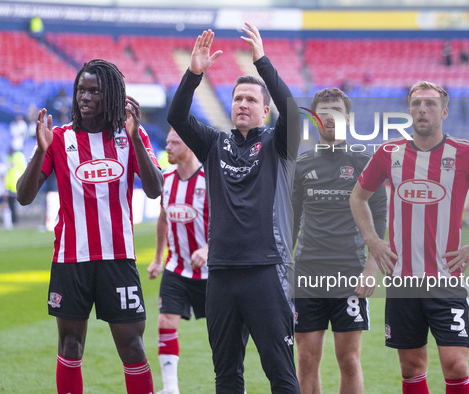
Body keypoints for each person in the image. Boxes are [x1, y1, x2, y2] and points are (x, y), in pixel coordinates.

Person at [167, 24, 300, 393]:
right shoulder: (214, 143)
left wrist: (262, 63)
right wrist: (194, 75)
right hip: (222, 274)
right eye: (238, 98)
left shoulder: (278, 144)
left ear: (265, 109)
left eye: (251, 100)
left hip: (267, 270)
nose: (243, 104)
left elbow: (294, 112)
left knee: (282, 375)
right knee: (225, 375)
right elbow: (177, 118)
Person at [16, 58, 162, 394]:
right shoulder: (57, 138)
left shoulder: (129, 136)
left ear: (110, 95)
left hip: (118, 259)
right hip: (71, 260)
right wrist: (39, 152)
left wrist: (136, 139)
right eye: (81, 90)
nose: (85, 97)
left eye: (94, 91)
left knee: (132, 346)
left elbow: (154, 189)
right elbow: (24, 197)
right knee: (70, 346)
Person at [350, 81, 469, 394]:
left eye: (429, 104)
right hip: (402, 282)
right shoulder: (389, 153)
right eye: (416, 104)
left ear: (444, 111)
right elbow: (358, 197)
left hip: (447, 281)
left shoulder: (467, 154)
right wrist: (373, 241)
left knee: (455, 364)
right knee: (411, 367)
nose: (422, 110)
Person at [292, 88, 387, 394]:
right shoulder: (302, 165)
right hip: (307, 276)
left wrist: (372, 268)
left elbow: (381, 218)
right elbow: (291, 223)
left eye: (336, 111)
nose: (329, 118)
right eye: (323, 112)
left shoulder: (364, 161)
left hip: (350, 275)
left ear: (347, 118)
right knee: (306, 359)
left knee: (348, 360)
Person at [147, 128, 210, 394]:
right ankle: (170, 388)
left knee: (223, 332)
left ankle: (232, 384)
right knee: (165, 322)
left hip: (212, 272)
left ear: (191, 145)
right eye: (168, 140)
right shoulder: (166, 179)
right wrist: (158, 259)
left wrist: (209, 249)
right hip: (176, 267)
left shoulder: (210, 180)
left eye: (175, 142)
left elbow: (231, 222)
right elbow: (163, 220)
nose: (168, 146)